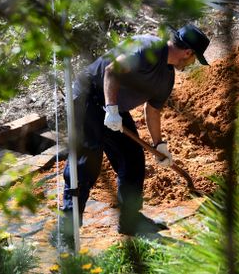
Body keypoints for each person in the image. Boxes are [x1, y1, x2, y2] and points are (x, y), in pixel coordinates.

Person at [56, 24, 210, 247]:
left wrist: (159, 145)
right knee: (86, 163)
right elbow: (111, 70)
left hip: (114, 108)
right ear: (188, 53)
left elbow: (153, 111)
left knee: (133, 158)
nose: (191, 64)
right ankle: (67, 233)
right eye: (194, 59)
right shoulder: (147, 48)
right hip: (88, 97)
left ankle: (130, 220)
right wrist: (111, 109)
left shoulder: (167, 78)